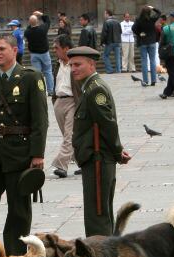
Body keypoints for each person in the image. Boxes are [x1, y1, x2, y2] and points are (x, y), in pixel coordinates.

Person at [0, 34, 48, 256]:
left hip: (20, 152)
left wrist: (37, 155)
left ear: (14, 51)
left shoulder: (30, 78)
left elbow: (40, 120)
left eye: (1, 49)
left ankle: (15, 255)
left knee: (19, 209)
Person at [67, 46, 131, 237]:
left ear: (92, 64)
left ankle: (100, 256)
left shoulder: (95, 90)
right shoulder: (89, 86)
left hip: (98, 158)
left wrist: (117, 151)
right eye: (71, 65)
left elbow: (107, 124)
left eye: (78, 64)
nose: (73, 69)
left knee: (97, 213)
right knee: (99, 209)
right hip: (94, 157)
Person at [51, 35, 79, 179]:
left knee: (69, 135)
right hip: (59, 102)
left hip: (72, 102)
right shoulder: (57, 64)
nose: (54, 50)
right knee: (68, 135)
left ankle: (61, 165)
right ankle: (82, 162)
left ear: (66, 49)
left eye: (57, 48)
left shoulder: (76, 64)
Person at [25, 11, 54, 96]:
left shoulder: (27, 32)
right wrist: (40, 14)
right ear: (37, 21)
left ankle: (39, 91)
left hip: (34, 54)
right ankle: (50, 90)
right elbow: (48, 20)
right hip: (44, 53)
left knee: (37, 74)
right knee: (48, 71)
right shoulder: (42, 29)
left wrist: (32, 19)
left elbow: (29, 27)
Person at [133, 6, 162, 86]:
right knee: (152, 61)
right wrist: (153, 8)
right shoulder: (152, 19)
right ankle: (153, 80)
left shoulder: (139, 20)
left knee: (144, 61)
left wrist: (139, 33)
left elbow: (133, 28)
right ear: (149, 12)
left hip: (142, 42)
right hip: (152, 41)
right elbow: (159, 13)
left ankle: (145, 81)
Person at [100, 9, 122, 74]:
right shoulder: (117, 22)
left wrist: (102, 42)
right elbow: (120, 31)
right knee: (117, 57)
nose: (104, 15)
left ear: (107, 14)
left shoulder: (107, 22)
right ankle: (118, 70)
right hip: (117, 41)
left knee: (105, 56)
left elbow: (104, 33)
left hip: (109, 42)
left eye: (104, 14)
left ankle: (109, 70)